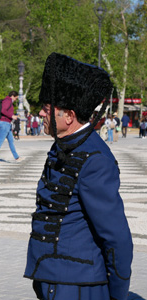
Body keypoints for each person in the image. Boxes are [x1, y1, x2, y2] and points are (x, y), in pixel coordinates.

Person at [24, 53, 133, 300]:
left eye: (47, 109)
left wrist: (117, 293)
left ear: (69, 116)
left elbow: (116, 237)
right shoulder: (63, 144)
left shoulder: (95, 159)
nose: (41, 114)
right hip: (50, 276)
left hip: (78, 285)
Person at [0, 91, 23, 163]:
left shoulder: (8, 101)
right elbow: (3, 110)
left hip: (7, 123)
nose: (16, 99)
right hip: (4, 123)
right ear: (12, 96)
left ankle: (17, 157)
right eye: (16, 97)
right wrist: (12, 116)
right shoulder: (7, 101)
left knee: (11, 141)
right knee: (0, 141)